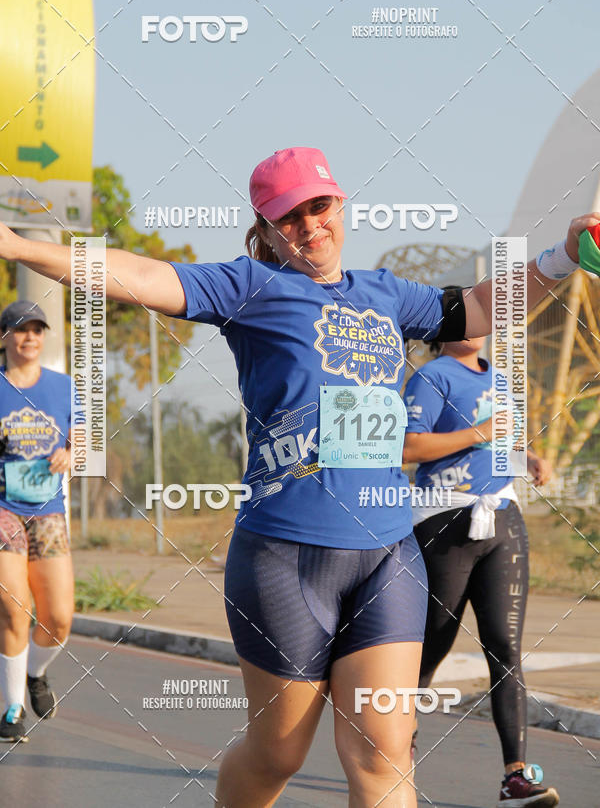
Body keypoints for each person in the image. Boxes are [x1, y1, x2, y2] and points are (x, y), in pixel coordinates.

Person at [0, 146, 592, 805]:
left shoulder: (387, 293)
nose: (310, 226)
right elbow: (135, 273)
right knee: (278, 752)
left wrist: (562, 257)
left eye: (320, 207)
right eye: (290, 217)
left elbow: (478, 310)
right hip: (285, 558)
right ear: (265, 228)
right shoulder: (250, 289)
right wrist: (19, 247)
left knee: (382, 749)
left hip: (388, 556)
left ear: (340, 206)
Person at [403, 332, 559, 807]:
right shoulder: (429, 378)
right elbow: (408, 448)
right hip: (444, 519)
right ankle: (393, 746)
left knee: (505, 647)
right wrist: (480, 433)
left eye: (476, 318)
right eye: (459, 320)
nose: (473, 328)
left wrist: (528, 456)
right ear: (440, 333)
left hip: (503, 517)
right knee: (433, 644)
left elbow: (502, 443)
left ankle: (516, 778)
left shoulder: (505, 379)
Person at [0, 300, 72, 743]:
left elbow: (83, 438)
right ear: (5, 337)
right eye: (20, 329)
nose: (30, 337)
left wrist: (70, 453)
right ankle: (11, 709)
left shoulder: (64, 387)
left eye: (37, 329)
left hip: (48, 511)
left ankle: (36, 674)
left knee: (59, 618)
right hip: (3, 509)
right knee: (15, 609)